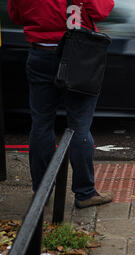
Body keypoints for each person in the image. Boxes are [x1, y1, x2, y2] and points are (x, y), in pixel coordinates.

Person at [7, 0, 115, 209]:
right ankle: (85, 193)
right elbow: (102, 9)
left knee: (41, 124)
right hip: (77, 54)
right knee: (79, 126)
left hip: (39, 54)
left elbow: (16, 15)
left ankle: (42, 191)